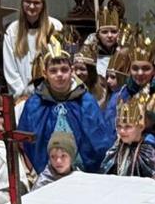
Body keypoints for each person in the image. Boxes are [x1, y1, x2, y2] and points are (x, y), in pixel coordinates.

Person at [18, 41, 113, 174]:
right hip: (46, 175)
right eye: (53, 71)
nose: (59, 74)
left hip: (82, 173)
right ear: (45, 73)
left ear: (72, 70)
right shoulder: (34, 104)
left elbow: (100, 141)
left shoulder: (86, 101)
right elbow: (25, 142)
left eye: (64, 69)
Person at [105, 32, 155, 138]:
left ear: (154, 70)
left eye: (145, 68)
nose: (140, 73)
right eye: (135, 68)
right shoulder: (120, 95)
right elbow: (109, 130)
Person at [2, 0, 63, 100]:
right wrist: (21, 94)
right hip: (22, 97)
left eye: (36, 3)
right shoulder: (12, 30)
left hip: (51, 95)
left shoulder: (55, 27)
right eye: (28, 2)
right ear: (22, 3)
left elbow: (60, 63)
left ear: (43, 5)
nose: (31, 6)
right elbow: (10, 68)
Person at [101, 95, 155, 178]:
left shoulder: (149, 153)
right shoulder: (117, 147)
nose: (122, 131)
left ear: (141, 127)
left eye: (128, 127)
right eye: (119, 126)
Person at [84, 7, 124, 77]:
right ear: (98, 35)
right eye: (104, 32)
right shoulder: (89, 53)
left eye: (114, 32)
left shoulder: (123, 54)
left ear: (119, 34)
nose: (109, 35)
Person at [72, 43, 109, 108]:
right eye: (75, 69)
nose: (78, 73)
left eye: (82, 69)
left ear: (91, 72)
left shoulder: (102, 95)